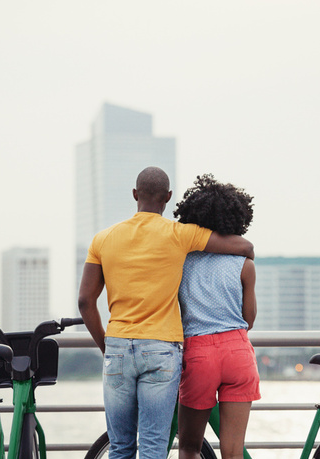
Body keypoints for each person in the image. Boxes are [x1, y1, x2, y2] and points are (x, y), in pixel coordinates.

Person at [77, 166, 255, 459]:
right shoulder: (179, 234)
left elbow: (85, 301)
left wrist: (106, 346)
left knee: (120, 446)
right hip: (162, 349)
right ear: (168, 197)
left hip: (119, 346)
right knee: (153, 447)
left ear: (135, 195)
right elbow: (243, 246)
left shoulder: (102, 239)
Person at [173, 174, 260, 459]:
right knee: (233, 453)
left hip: (199, 352)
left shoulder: (182, 263)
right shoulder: (244, 265)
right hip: (238, 352)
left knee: (188, 447)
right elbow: (249, 319)